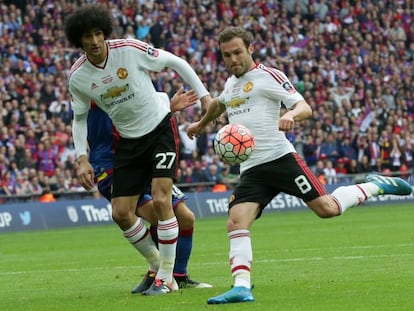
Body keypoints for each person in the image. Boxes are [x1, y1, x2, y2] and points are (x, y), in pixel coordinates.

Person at [186, 26, 413, 304]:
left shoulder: (268, 76)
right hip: (252, 170)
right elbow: (219, 105)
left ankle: (374, 185)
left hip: (281, 159)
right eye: (226, 55)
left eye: (237, 52)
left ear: (250, 49)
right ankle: (241, 286)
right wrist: (200, 123)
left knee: (327, 209)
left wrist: (291, 115)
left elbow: (305, 106)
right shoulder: (230, 85)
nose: (233, 59)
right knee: (235, 221)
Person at [64, 4, 211, 295]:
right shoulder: (79, 77)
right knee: (121, 212)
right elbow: (79, 118)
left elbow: (176, 62)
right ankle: (158, 266)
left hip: (159, 129)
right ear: (78, 42)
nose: (94, 41)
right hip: (128, 143)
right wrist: (82, 158)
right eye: (86, 37)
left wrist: (205, 97)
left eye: (97, 34)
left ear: (105, 33)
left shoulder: (129, 49)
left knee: (161, 200)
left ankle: (167, 279)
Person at [87, 88, 212, 291]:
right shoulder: (100, 86)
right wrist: (81, 158)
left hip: (143, 158)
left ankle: (178, 276)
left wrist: (168, 107)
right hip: (114, 163)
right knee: (158, 216)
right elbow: (128, 121)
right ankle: (158, 272)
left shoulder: (135, 82)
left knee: (186, 217)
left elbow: (144, 117)